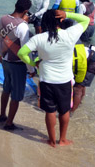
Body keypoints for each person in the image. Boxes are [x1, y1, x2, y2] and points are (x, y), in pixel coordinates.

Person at [17, 9, 90, 147]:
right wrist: (67, 14)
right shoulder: (69, 35)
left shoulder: (39, 38)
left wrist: (34, 63)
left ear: (45, 22)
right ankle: (62, 140)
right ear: (60, 20)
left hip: (46, 80)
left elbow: (22, 53)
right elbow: (85, 20)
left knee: (50, 111)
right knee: (64, 110)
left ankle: (51, 141)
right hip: (64, 81)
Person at [0, 0, 33, 131]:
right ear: (26, 11)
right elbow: (25, 50)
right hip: (17, 64)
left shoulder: (3, 19)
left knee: (6, 88)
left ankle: (2, 115)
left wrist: (0, 54)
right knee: (16, 95)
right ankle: (9, 123)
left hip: (5, 60)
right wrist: (31, 68)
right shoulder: (23, 27)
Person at [72, 43, 95, 113]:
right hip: (88, 56)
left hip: (92, 60)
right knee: (81, 84)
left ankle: (71, 111)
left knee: (78, 88)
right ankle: (80, 102)